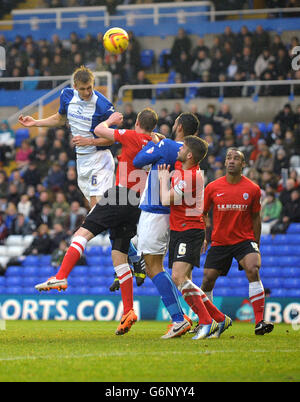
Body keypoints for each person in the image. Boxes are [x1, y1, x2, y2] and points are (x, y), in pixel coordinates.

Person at [35, 109, 159, 336]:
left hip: (120, 195)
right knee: (119, 256)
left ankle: (61, 277)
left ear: (138, 122)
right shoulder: (153, 142)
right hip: (136, 204)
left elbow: (99, 130)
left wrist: (111, 120)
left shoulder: (132, 135)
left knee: (81, 234)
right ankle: (129, 310)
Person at [133, 113, 201, 338]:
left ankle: (179, 319)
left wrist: (155, 145)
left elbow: (137, 161)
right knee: (147, 260)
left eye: (174, 124)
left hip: (155, 211)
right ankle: (183, 316)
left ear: (179, 126)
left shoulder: (167, 145)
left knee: (153, 267)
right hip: (169, 213)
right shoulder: (191, 153)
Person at [157, 136, 232, 340]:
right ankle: (219, 317)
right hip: (182, 229)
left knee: (179, 277)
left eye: (182, 147)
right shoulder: (184, 167)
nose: (178, 148)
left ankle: (207, 322)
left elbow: (165, 199)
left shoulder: (191, 176)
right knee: (185, 279)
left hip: (188, 230)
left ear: (189, 155)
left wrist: (163, 179)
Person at [18, 65, 117, 209]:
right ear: (75, 86)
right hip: (82, 160)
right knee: (100, 209)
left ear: (93, 84)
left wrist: (89, 141)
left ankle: (91, 231)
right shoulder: (67, 95)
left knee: (97, 209)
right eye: (82, 89)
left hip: (100, 158)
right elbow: (60, 119)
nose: (87, 92)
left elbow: (114, 138)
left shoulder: (103, 106)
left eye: (89, 87)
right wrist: (35, 122)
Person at [200, 148, 274, 336]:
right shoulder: (213, 187)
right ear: (225, 163)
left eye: (236, 159)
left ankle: (259, 322)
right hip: (220, 241)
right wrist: (204, 237)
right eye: (228, 158)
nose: (231, 161)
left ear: (243, 164)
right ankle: (209, 321)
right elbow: (203, 213)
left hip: (244, 240)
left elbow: (256, 218)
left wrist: (256, 244)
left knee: (253, 268)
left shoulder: (253, 189)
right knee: (207, 279)